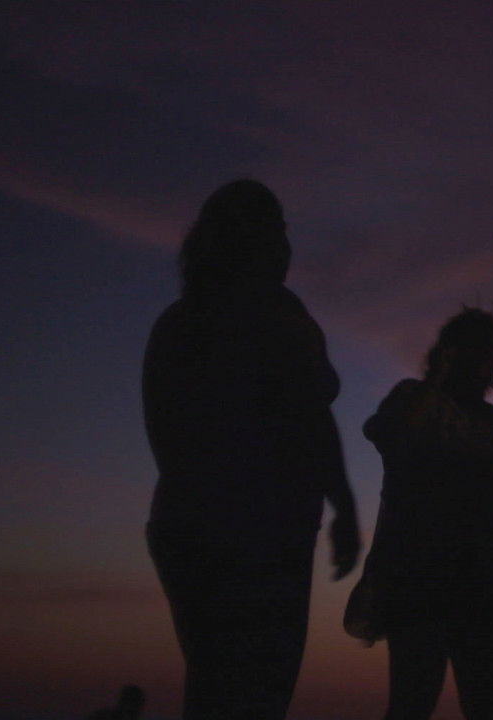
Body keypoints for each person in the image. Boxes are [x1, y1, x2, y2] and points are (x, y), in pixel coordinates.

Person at [143, 179, 360, 719]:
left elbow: (166, 441)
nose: (286, 245)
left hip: (192, 528)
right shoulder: (277, 315)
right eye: (276, 230)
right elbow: (311, 416)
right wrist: (343, 507)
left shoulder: (177, 323)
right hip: (260, 534)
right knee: (256, 693)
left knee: (214, 686)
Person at [346, 307, 493, 720]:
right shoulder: (412, 400)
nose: (477, 362)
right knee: (411, 702)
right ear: (444, 353)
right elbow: (387, 433)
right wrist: (436, 382)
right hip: (419, 580)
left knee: (486, 705)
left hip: (488, 585)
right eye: (466, 350)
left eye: (486, 353)